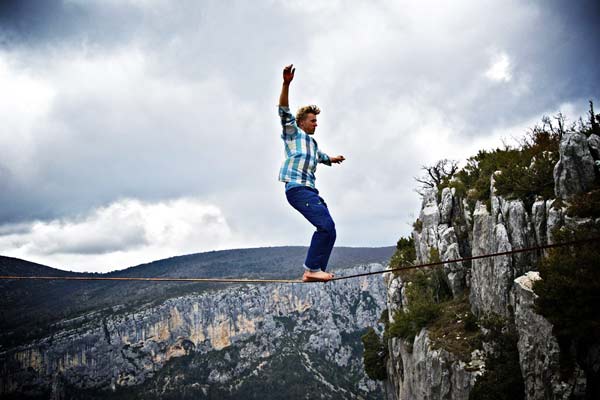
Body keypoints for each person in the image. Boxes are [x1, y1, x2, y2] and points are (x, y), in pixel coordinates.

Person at [277, 64, 346, 282]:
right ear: (301, 123)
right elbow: (283, 110)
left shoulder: (312, 144)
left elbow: (320, 156)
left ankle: (316, 271)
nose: (316, 124)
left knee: (331, 229)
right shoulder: (292, 133)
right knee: (324, 226)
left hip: (310, 190)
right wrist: (286, 84)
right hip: (297, 189)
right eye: (313, 120)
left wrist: (332, 159)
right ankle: (311, 269)